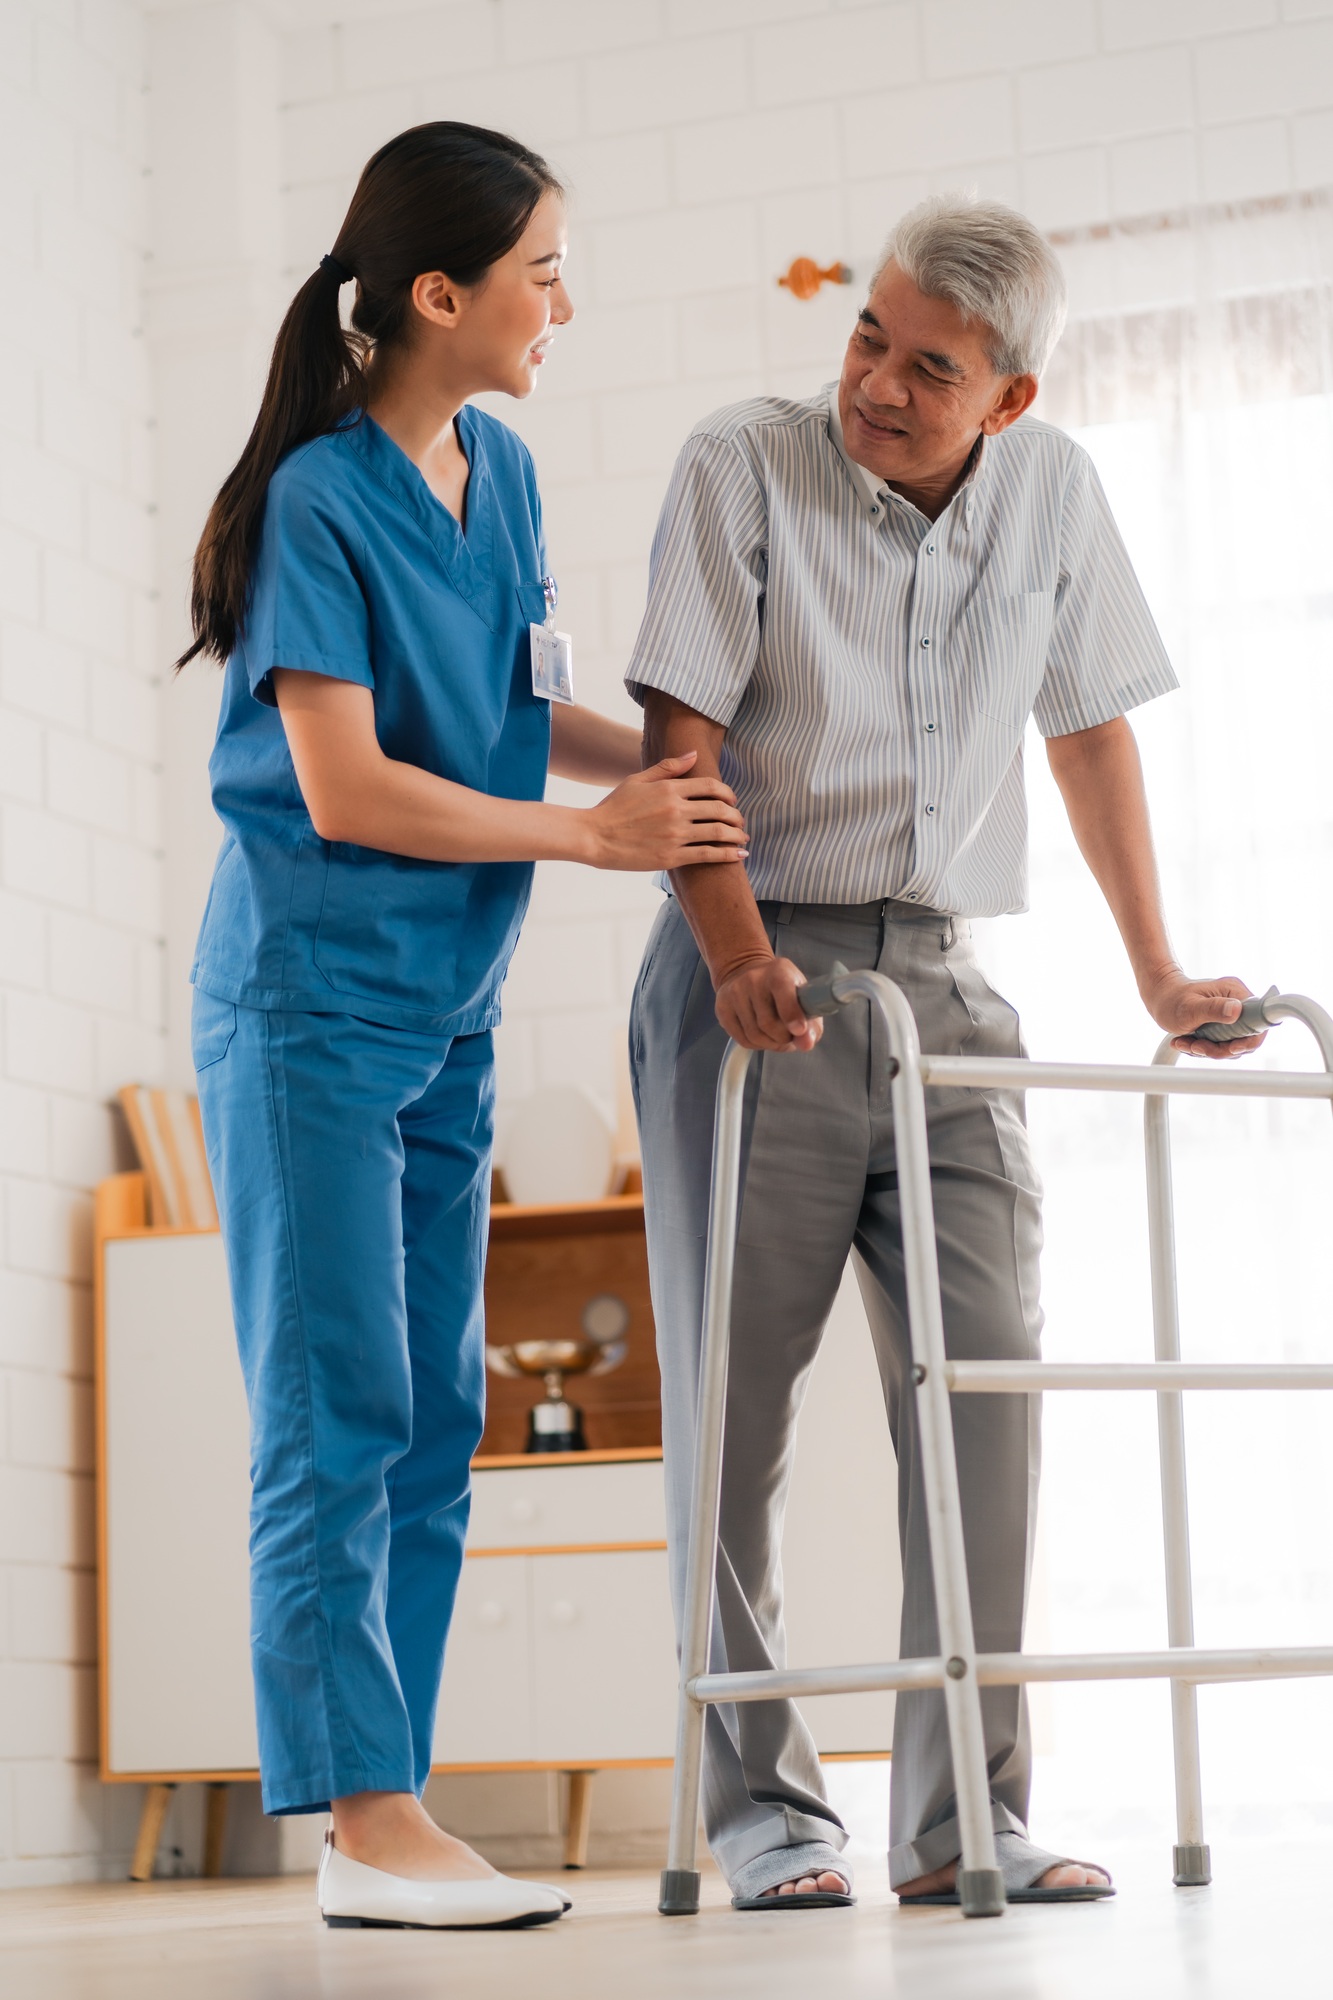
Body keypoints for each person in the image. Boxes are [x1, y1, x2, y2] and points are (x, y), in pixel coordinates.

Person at [627, 194, 1262, 1911]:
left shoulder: (1051, 498)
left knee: (986, 1394)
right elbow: (677, 740)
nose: (879, 387)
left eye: (930, 367)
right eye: (867, 338)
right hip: (745, 959)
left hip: (946, 985)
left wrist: (1152, 969)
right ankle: (768, 1817)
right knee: (735, 1415)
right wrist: (739, 954)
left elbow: (1089, 730)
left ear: (1009, 399)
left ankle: (959, 1818)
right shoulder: (738, 465)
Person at [179, 122, 747, 1933]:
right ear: (442, 293)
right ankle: (359, 1814)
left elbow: (522, 705)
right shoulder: (318, 500)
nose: (560, 302)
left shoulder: (491, 469)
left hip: (444, 1012)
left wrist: (697, 776)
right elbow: (346, 788)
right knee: (334, 1413)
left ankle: (388, 1809)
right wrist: (596, 838)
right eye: (541, 270)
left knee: (433, 1411)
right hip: (310, 1009)